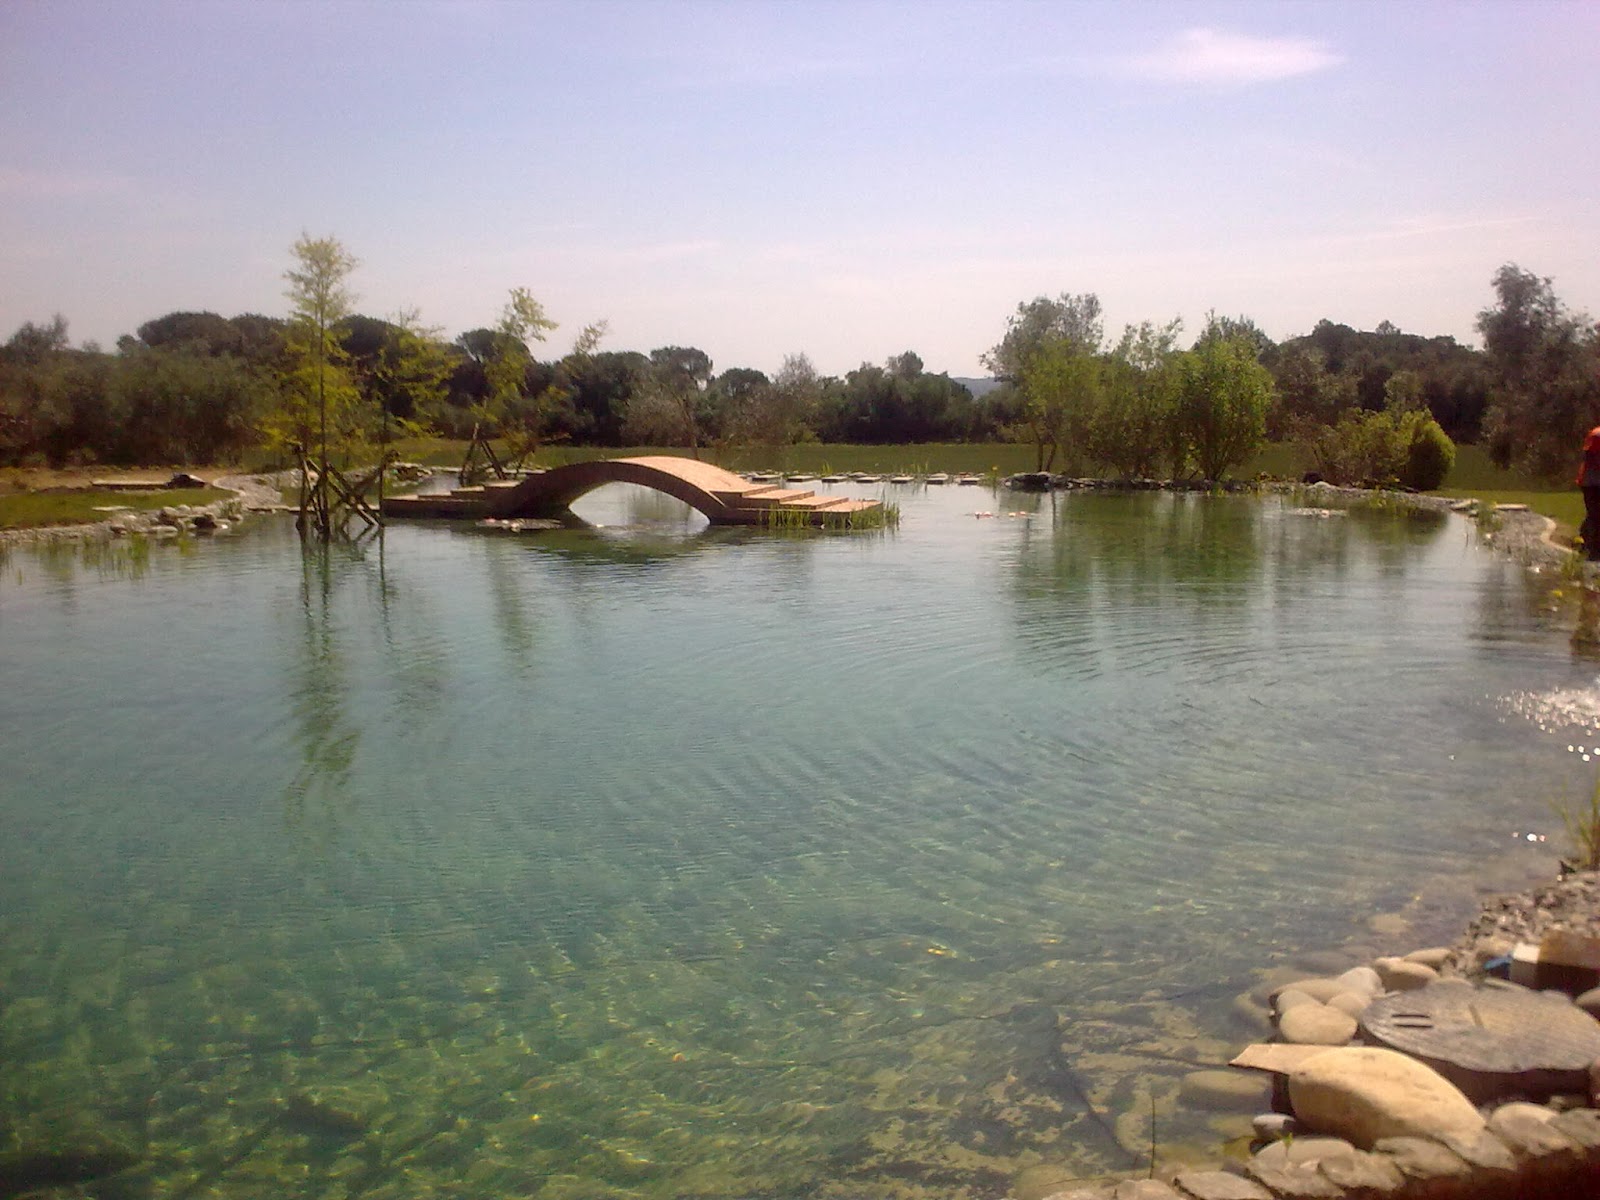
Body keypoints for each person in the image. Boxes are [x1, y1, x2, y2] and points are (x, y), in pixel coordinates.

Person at [1579, 424, 1600, 560]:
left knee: (1594, 514)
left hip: (1590, 481)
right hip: (1592, 482)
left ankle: (1585, 541)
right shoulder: (1597, 435)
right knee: (1595, 515)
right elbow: (1591, 456)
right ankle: (1593, 549)